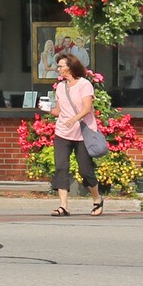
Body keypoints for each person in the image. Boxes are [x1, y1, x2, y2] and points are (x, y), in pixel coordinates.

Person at [50, 53, 104, 217]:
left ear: (70, 67)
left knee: (85, 169)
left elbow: (87, 108)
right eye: (58, 66)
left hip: (82, 133)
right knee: (61, 167)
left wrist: (74, 119)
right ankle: (63, 206)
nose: (58, 69)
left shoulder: (84, 84)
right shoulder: (60, 87)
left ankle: (97, 199)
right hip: (62, 132)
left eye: (61, 66)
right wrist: (46, 108)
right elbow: (58, 111)